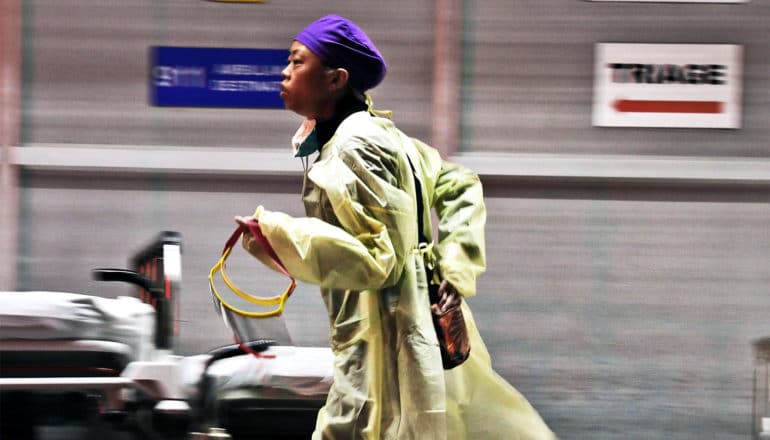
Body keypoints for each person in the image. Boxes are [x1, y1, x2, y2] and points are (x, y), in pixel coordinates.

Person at [237, 14, 557, 440]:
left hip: (385, 345)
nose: (285, 71)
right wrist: (455, 267)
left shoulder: (354, 145)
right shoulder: (387, 137)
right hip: (410, 328)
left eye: (297, 61)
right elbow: (461, 184)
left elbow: (378, 260)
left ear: (335, 79)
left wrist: (275, 234)